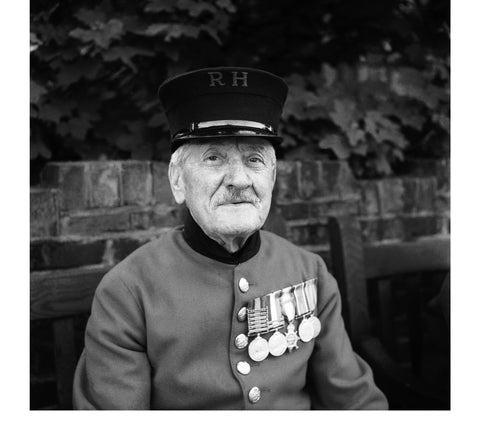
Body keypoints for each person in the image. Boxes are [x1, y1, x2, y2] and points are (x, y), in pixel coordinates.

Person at [73, 67, 388, 410]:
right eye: (213, 158)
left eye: (254, 159)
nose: (239, 179)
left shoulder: (309, 272)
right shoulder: (128, 291)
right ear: (178, 180)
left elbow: (357, 405)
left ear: (272, 177)